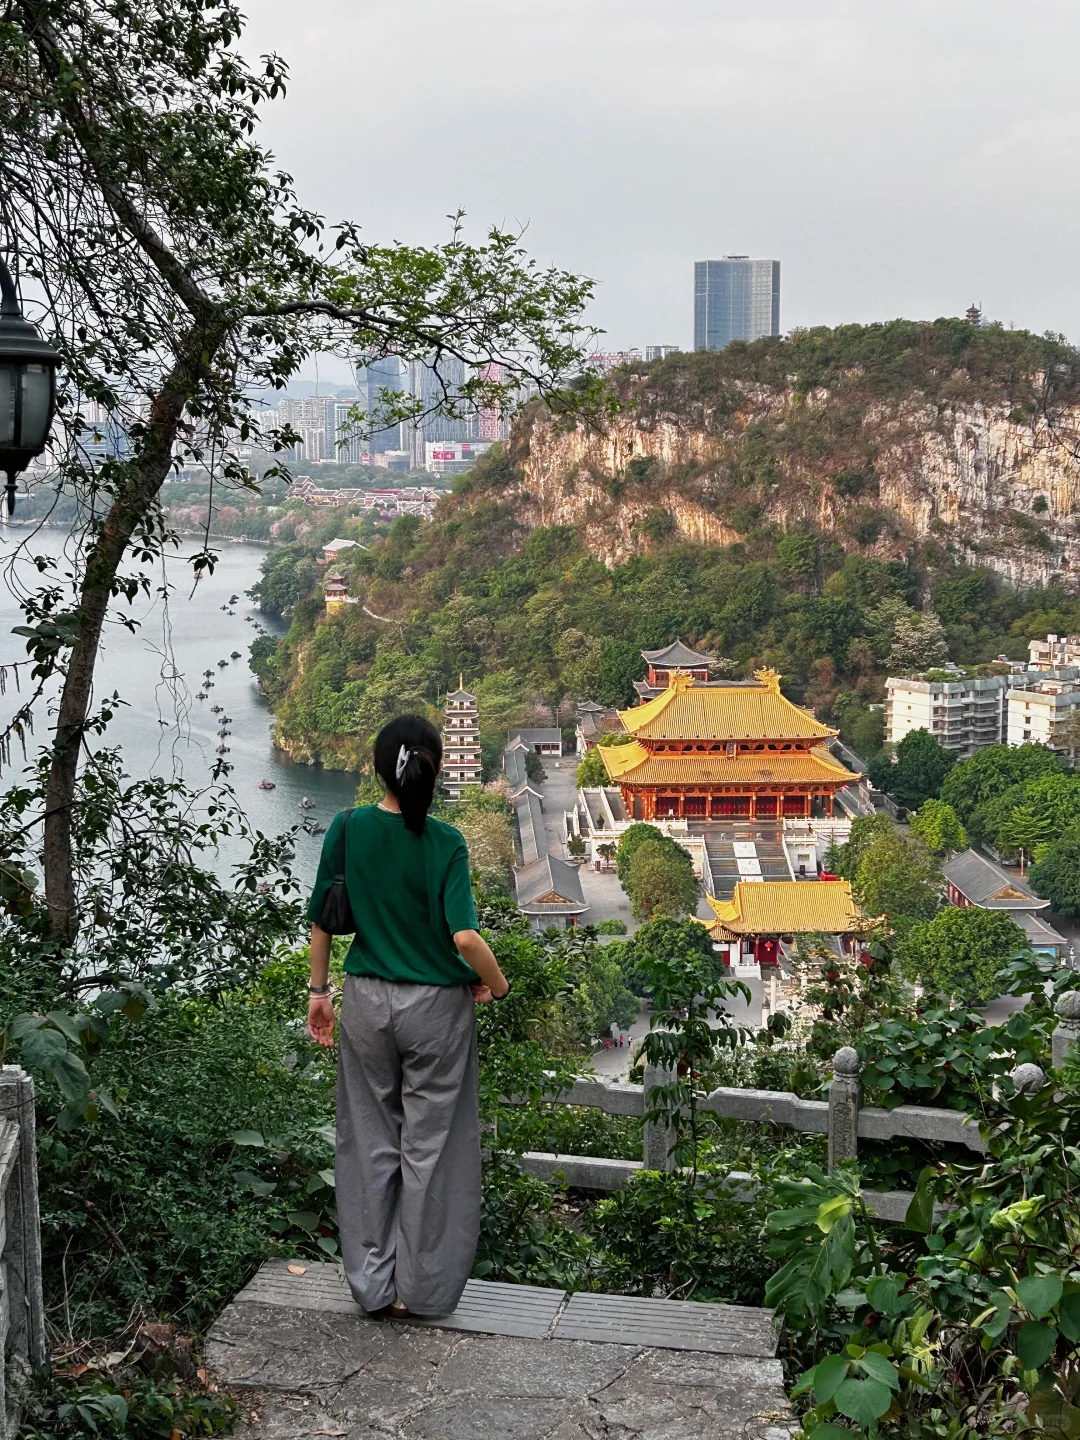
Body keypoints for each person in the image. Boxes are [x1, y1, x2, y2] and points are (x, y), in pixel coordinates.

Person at [305, 714, 509, 1320]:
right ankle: (420, 1294)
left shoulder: (346, 829)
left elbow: (322, 921)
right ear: (436, 767)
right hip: (436, 1009)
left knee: (368, 1141)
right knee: (433, 1147)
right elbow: (466, 938)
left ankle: (373, 1286)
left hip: (366, 999)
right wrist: (494, 985)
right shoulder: (446, 841)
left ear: (377, 765)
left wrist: (319, 993)